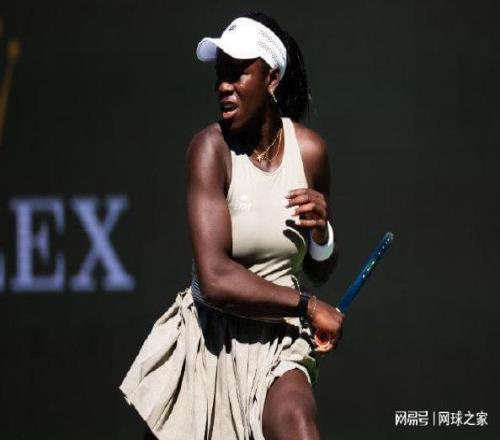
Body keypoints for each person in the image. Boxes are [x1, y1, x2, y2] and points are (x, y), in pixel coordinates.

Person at [120, 12, 344, 440]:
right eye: (220, 74)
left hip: (280, 344)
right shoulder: (208, 150)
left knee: (298, 423)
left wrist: (322, 236)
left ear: (271, 79)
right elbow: (216, 279)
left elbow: (318, 270)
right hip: (208, 342)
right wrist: (308, 306)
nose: (224, 85)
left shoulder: (311, 152)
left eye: (238, 72)